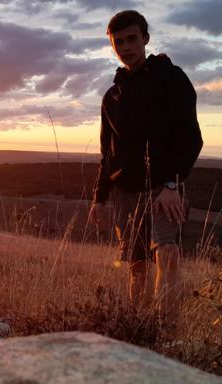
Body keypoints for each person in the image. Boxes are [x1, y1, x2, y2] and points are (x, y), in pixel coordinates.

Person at [89, 10, 203, 328]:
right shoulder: (112, 97)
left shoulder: (171, 78)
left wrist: (170, 183)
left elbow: (191, 137)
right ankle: (137, 328)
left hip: (164, 188)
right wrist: (99, 198)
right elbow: (106, 154)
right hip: (126, 190)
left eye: (132, 39)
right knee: (136, 263)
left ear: (145, 39)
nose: (125, 46)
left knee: (166, 252)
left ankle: (167, 332)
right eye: (118, 41)